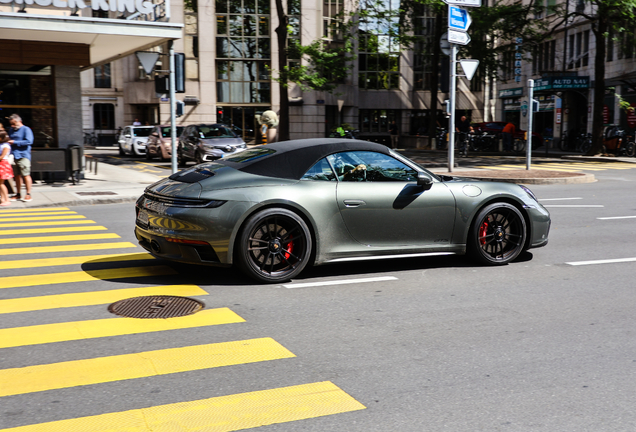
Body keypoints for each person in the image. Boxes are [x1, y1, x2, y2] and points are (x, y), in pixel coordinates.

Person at [7, 114, 34, 202]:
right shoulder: (11, 130)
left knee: (26, 175)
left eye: (14, 123)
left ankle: (28, 194)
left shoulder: (26, 129)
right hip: (13, 155)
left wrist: (14, 142)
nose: (12, 126)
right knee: (17, 176)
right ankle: (18, 194)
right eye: (11, 124)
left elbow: (29, 141)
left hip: (23, 155)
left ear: (19, 121)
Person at [0, 130, 14, 206]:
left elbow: (2, 157)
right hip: (1, 164)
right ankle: (2, 199)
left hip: (3, 164)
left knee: (1, 183)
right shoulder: (2, 144)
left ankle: (6, 199)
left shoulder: (5, 146)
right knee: (0, 183)